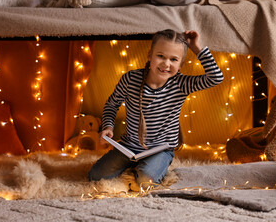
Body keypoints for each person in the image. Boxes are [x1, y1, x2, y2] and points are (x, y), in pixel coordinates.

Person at [88, 29, 224, 190]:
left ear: (181, 64)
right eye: (161, 56)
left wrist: (195, 47)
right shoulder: (130, 79)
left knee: (146, 180)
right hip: (128, 146)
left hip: (160, 150)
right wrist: (108, 127)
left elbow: (216, 77)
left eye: (174, 59)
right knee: (95, 176)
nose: (166, 64)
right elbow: (112, 104)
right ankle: (135, 167)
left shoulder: (181, 84)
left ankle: (147, 168)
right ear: (150, 55)